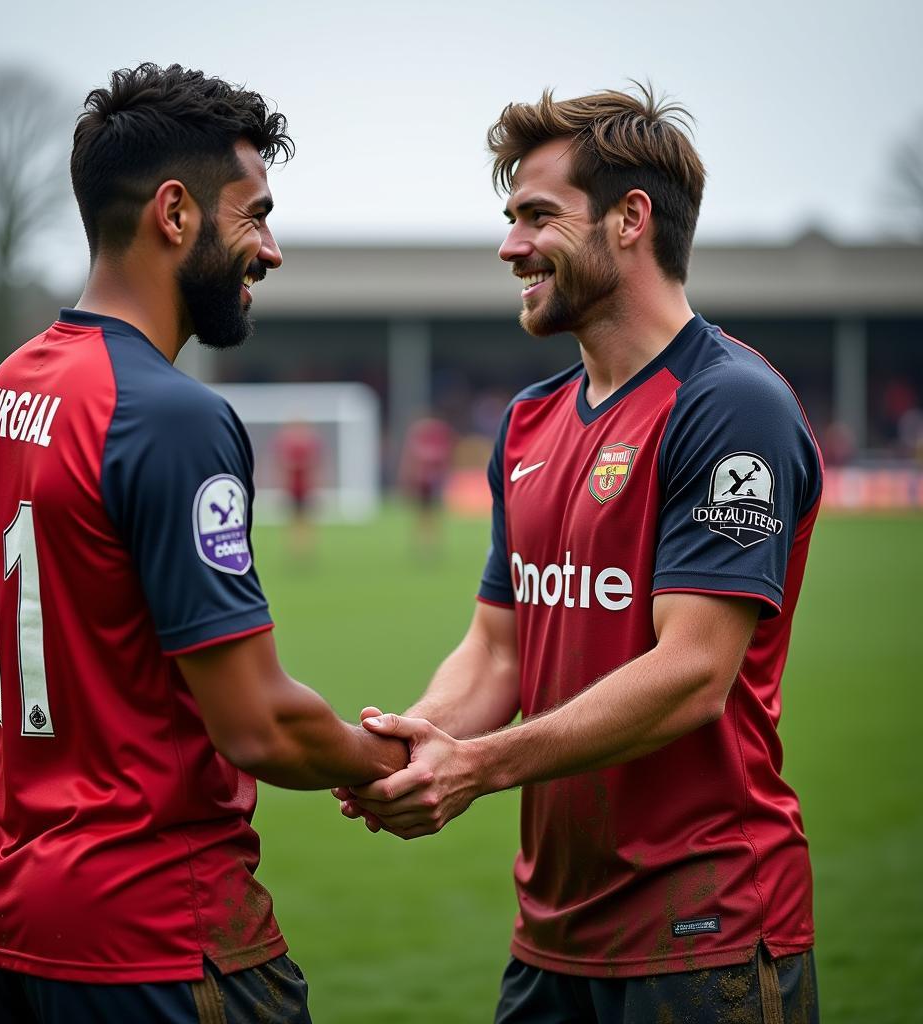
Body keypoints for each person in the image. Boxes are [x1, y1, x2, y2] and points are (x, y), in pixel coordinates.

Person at [337, 85, 822, 1023]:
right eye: (509, 217)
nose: (510, 245)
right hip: (553, 937)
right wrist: (416, 744)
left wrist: (477, 766)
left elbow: (691, 674)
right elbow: (499, 648)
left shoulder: (729, 405)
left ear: (631, 219)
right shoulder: (529, 421)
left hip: (705, 937)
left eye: (537, 216)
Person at [0, 63, 405, 1024]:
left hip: (19, 929)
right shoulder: (170, 416)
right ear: (176, 213)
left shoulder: (3, 391)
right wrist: (391, 764)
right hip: (162, 935)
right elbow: (258, 723)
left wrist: (59, 799)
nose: (270, 250)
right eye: (256, 214)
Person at [398, 413, 456, 551]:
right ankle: (426, 541)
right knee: (425, 514)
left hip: (428, 484)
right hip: (425, 484)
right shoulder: (432, 446)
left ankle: (427, 541)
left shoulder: (424, 446)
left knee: (428, 514)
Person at [273, 419, 322, 559]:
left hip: (306, 488)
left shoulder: (311, 442)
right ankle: (295, 548)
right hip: (292, 488)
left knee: (307, 520)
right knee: (293, 520)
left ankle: (306, 548)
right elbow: (281, 463)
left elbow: (316, 463)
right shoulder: (285, 441)